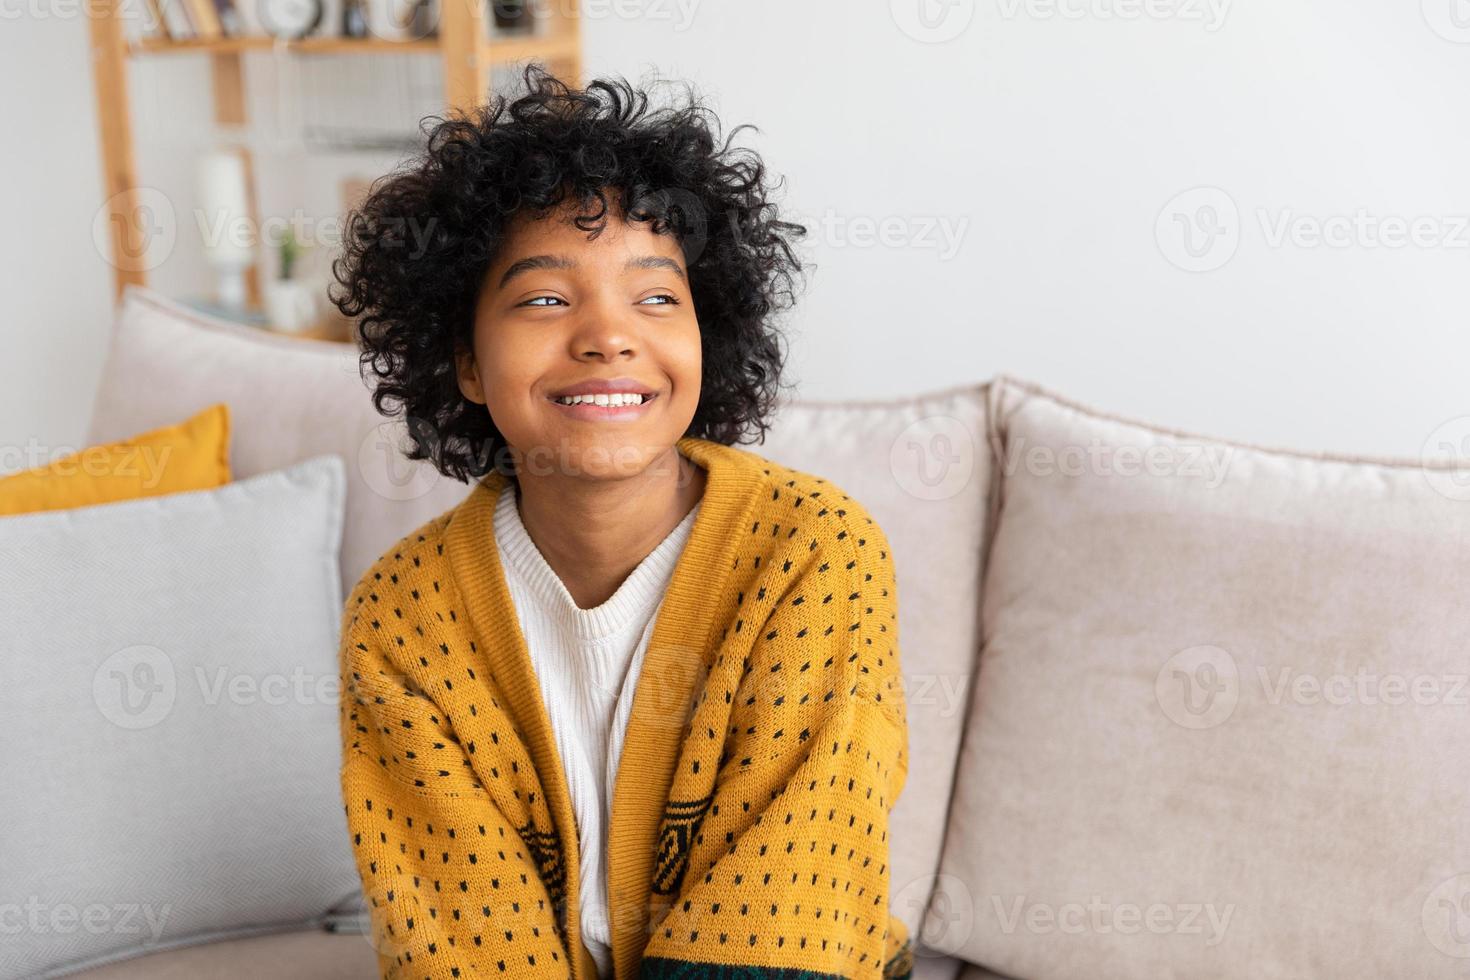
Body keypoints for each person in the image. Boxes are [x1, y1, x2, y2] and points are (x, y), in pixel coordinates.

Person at [328, 64, 912, 980]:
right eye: (547, 299)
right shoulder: (402, 617)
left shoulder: (814, 553)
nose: (609, 334)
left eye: (655, 297)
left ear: (706, 339)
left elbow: (790, 894)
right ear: (468, 365)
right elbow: (462, 943)